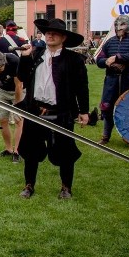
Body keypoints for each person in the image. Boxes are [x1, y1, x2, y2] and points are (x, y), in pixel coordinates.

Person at [16, 18, 89, 199]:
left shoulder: (74, 60)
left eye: (54, 33)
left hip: (61, 112)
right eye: (47, 32)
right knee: (31, 151)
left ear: (63, 37)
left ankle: (66, 188)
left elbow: (82, 87)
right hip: (35, 111)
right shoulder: (36, 54)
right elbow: (22, 77)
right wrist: (24, 58)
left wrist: (84, 111)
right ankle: (29, 185)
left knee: (65, 152)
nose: (49, 34)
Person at [96, 14, 129, 144]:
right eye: (117, 25)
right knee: (107, 107)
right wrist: (107, 62)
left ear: (128, 25)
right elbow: (99, 60)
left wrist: (118, 58)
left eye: (122, 24)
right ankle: (106, 136)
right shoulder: (109, 42)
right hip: (112, 80)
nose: (119, 27)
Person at [0, 51, 24, 162]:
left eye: (0, 69)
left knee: (18, 120)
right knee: (3, 120)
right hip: (3, 90)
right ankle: (8, 149)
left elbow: (19, 85)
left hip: (19, 90)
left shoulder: (14, 61)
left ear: (5, 63)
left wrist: (17, 105)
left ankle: (17, 151)